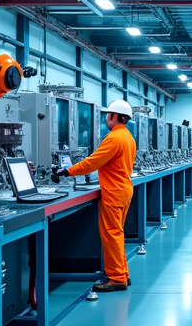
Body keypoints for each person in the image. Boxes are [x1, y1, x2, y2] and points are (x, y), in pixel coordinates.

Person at [53, 100, 137, 292]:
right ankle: (123, 273)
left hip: (114, 192)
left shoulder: (114, 138)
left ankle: (116, 279)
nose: (107, 118)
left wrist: (67, 171)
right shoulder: (128, 137)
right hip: (124, 189)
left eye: (108, 115)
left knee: (111, 234)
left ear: (114, 116)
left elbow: (93, 162)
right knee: (117, 233)